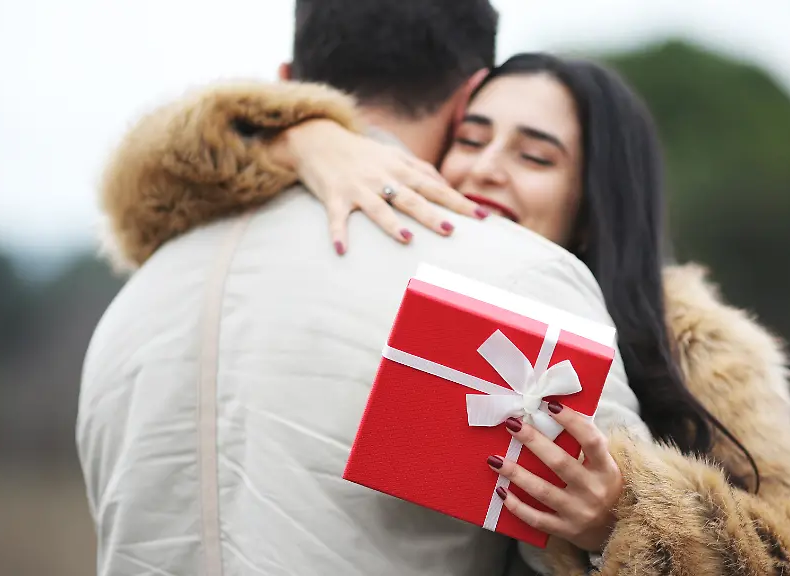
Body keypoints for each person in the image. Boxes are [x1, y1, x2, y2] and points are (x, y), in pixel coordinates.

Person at [96, 39, 790, 576]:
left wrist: (626, 514)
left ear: (593, 200)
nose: (483, 169)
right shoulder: (414, 296)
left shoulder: (695, 343)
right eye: (470, 137)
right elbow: (144, 195)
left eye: (534, 154)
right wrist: (299, 139)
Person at [78, 2, 649, 576]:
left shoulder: (142, 288)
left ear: (287, 85)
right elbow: (620, 539)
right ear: (471, 96)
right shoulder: (509, 284)